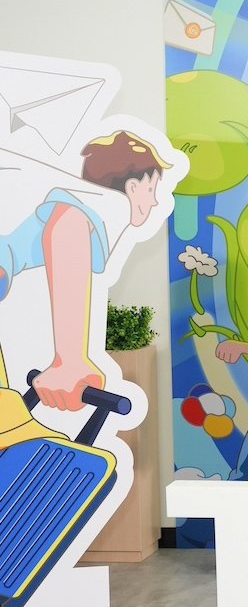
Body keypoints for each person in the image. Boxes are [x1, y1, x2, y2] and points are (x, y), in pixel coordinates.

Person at [2, 130, 170, 410]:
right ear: (132, 188)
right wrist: (69, 362)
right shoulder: (79, 212)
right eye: (151, 189)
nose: (153, 202)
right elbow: (66, 230)